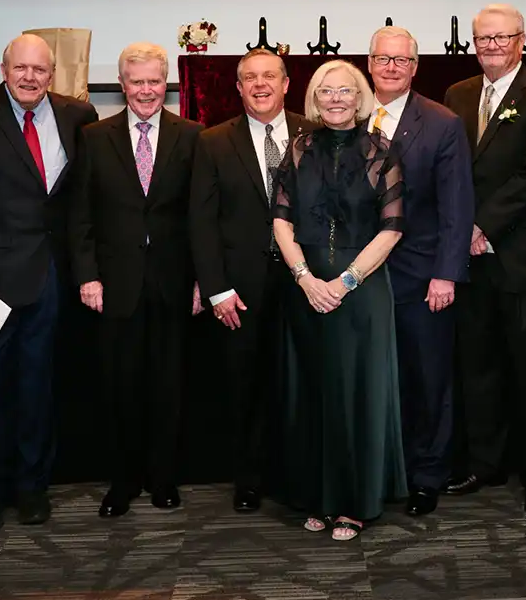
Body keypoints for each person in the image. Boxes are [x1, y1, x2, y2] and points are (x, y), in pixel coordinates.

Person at [0, 34, 98, 534]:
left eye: (40, 70)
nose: (30, 77)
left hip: (50, 275)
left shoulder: (78, 115)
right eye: (21, 68)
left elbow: (79, 199)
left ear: (53, 74)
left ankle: (32, 487)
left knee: (38, 387)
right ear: (4, 69)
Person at [443, 4, 526, 514]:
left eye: (502, 37)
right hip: (469, 259)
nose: (492, 46)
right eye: (483, 39)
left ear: (522, 40)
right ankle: (485, 463)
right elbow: (452, 171)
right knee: (478, 367)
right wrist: (462, 231)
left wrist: (482, 225)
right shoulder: (458, 93)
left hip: (520, 256)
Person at [272, 59, 407, 541]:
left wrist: (346, 281)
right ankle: (318, 498)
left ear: (360, 97)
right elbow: (281, 220)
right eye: (326, 91)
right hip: (306, 290)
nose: (335, 99)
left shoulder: (382, 151)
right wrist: (305, 279)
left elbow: (392, 228)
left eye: (345, 90)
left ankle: (353, 504)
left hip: (362, 293)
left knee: (356, 395)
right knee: (312, 393)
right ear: (314, 98)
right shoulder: (298, 149)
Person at [70, 43, 203, 517]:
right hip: (115, 285)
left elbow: (201, 217)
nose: (146, 90)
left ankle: (163, 479)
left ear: (166, 84)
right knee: (120, 388)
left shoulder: (193, 136)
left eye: (154, 81)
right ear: (122, 84)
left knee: (169, 388)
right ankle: (123, 483)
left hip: (173, 283)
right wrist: (87, 276)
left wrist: (202, 281)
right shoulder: (93, 137)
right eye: (137, 81)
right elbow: (80, 215)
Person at [190, 49, 314, 513]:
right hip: (240, 290)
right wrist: (215, 288)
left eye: (269, 76)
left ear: (286, 84)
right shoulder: (213, 141)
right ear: (239, 88)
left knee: (302, 384)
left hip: (307, 285)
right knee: (245, 387)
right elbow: (201, 221)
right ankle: (249, 479)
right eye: (250, 78)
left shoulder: (315, 133)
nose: (260, 85)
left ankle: (298, 476)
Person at [367, 26, 472, 517]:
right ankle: (379, 471)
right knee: (374, 380)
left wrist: (446, 274)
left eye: (401, 60)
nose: (391, 68)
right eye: (383, 59)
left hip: (422, 275)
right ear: (369, 63)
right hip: (359, 279)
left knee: (427, 379)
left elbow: (457, 206)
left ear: (415, 67)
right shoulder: (347, 114)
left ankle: (427, 476)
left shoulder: (441, 123)